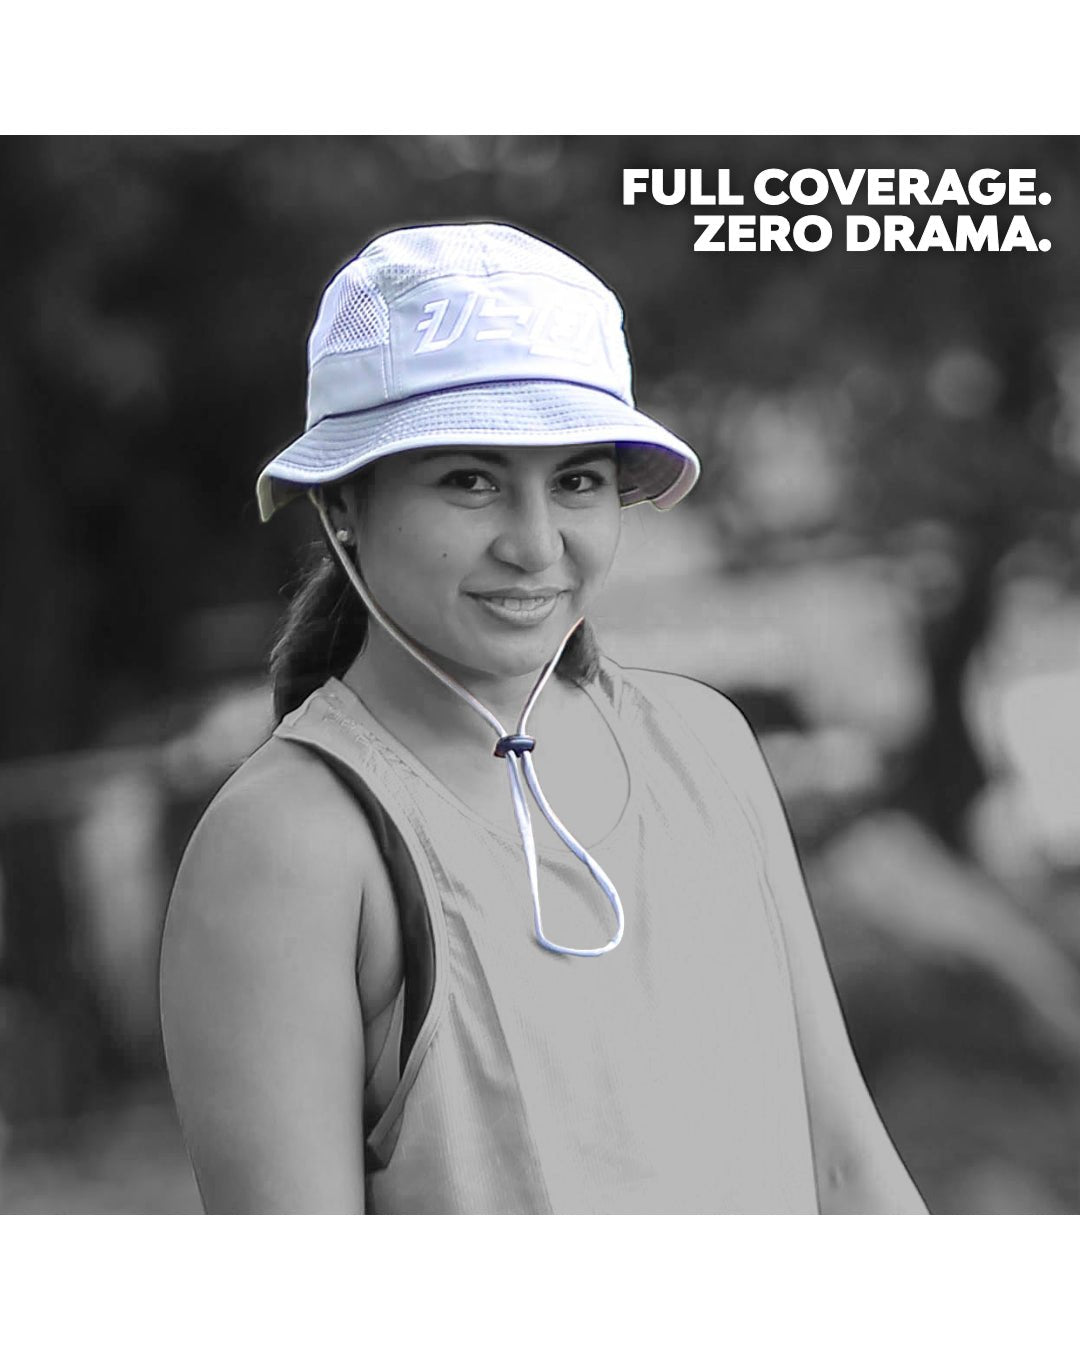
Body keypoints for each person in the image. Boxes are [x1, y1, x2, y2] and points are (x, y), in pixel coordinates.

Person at [159, 221, 927, 1215]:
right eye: (469, 480)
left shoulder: (704, 744)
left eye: (576, 480)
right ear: (343, 503)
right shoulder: (293, 842)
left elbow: (846, 1167)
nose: (534, 544)